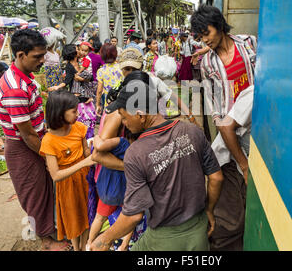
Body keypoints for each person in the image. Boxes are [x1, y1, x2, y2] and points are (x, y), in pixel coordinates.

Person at [89, 80, 223, 251]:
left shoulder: (136, 153)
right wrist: (210, 211)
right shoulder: (192, 131)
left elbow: (134, 215)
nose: (123, 123)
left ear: (140, 115)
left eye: (124, 117)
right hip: (198, 232)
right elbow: (216, 177)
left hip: (162, 239)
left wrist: (105, 239)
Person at [0, 29, 67, 251]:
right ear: (20, 55)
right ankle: (47, 240)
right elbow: (26, 134)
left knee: (44, 189)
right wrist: (47, 155)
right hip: (24, 145)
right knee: (34, 194)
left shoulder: (25, 77)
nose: (43, 60)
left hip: (35, 139)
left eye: (43, 54)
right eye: (37, 56)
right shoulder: (15, 88)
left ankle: (50, 228)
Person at [190, 4, 257, 250]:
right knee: (230, 178)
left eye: (206, 33)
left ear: (219, 25)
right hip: (231, 127)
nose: (204, 40)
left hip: (255, 121)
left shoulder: (249, 43)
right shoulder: (207, 62)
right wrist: (222, 126)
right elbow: (213, 101)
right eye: (200, 36)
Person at [40, 90, 95, 251]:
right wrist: (84, 162)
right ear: (60, 113)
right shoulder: (49, 141)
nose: (78, 113)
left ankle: (83, 246)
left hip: (85, 180)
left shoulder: (79, 128)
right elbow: (56, 175)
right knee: (73, 219)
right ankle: (76, 247)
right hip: (67, 185)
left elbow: (86, 152)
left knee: (86, 214)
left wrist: (94, 150)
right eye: (74, 111)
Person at [87, 128, 139, 251]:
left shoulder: (121, 142)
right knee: (129, 217)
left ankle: (89, 244)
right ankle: (123, 245)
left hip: (109, 190)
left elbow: (100, 146)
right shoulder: (139, 150)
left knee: (99, 218)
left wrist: (96, 137)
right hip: (126, 190)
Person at [95, 43, 124, 116]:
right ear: (115, 54)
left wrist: (98, 105)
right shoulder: (122, 68)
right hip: (122, 102)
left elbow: (99, 91)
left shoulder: (101, 71)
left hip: (108, 104)